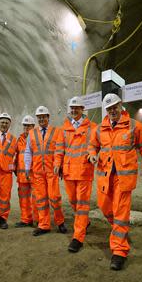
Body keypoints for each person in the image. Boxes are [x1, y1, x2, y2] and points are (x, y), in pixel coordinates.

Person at [88, 93, 142, 271]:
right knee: (104, 206)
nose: (112, 111)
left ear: (121, 105)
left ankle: (119, 251)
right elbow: (92, 145)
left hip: (123, 178)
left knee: (121, 212)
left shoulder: (134, 125)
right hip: (105, 176)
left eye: (114, 107)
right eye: (109, 108)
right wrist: (92, 155)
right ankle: (119, 229)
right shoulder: (100, 128)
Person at [54, 96, 97, 253]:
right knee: (73, 201)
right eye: (72, 108)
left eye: (77, 108)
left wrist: (93, 155)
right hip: (68, 171)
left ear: (82, 109)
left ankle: (78, 237)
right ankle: (84, 222)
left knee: (82, 205)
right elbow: (59, 149)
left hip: (85, 171)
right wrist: (57, 164)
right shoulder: (63, 129)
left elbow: (95, 146)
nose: (74, 110)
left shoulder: (92, 128)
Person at [24, 106, 67, 236]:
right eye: (39, 117)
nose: (41, 119)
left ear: (48, 117)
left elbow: (60, 150)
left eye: (44, 117)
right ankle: (44, 225)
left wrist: (58, 165)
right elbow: (28, 152)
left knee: (54, 197)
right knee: (41, 199)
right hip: (37, 172)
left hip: (51, 171)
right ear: (37, 119)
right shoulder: (32, 133)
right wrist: (27, 167)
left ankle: (60, 222)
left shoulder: (57, 132)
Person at [14, 115, 39, 227]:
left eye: (29, 125)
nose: (26, 127)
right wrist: (14, 168)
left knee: (36, 199)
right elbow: (16, 156)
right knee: (24, 199)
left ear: (33, 126)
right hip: (22, 175)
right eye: (25, 125)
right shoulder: (19, 140)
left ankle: (38, 220)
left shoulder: (37, 138)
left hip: (34, 174)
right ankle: (26, 219)